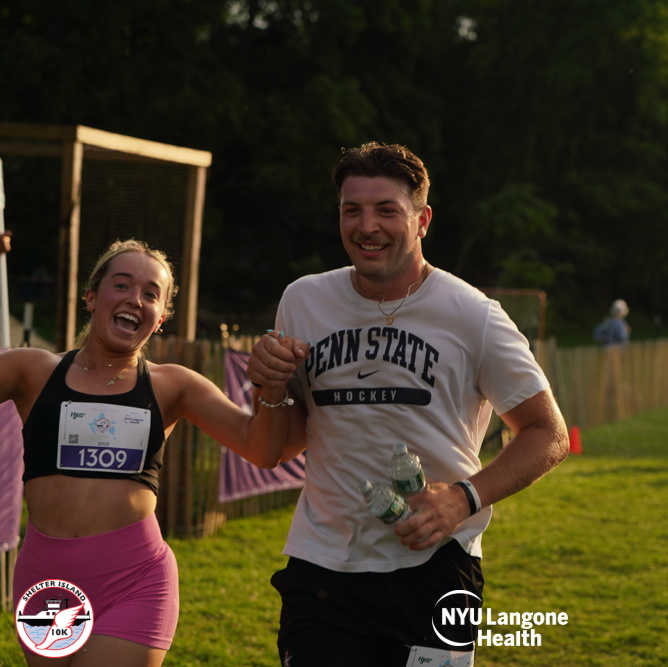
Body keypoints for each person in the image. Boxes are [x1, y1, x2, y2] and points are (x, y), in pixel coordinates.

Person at [246, 142, 570, 666]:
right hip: (323, 569)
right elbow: (279, 446)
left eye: (386, 210)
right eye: (352, 210)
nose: (366, 226)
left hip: (435, 567)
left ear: (422, 221)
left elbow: (548, 433)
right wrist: (270, 388)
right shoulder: (302, 300)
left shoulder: (473, 314)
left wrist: (463, 498)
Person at [1, 239, 297, 667]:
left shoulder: (173, 385)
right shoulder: (31, 370)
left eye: (150, 294)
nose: (134, 299)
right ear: (91, 296)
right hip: (44, 578)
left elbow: (262, 449)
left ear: (160, 319)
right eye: (122, 285)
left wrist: (271, 386)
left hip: (134, 580)